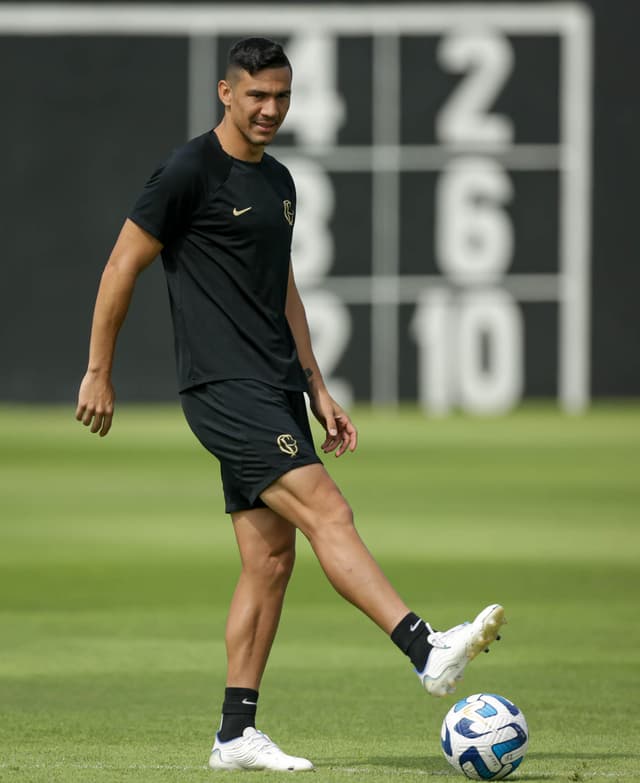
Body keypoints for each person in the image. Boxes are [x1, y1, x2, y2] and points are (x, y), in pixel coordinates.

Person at [76, 37, 505, 772]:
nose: (270, 108)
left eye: (281, 96)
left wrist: (316, 383)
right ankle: (423, 645)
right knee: (327, 511)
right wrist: (98, 369)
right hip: (221, 386)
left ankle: (234, 733)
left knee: (270, 559)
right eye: (256, 95)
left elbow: (282, 288)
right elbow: (123, 262)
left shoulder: (277, 181)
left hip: (273, 383)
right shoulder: (187, 172)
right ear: (225, 93)